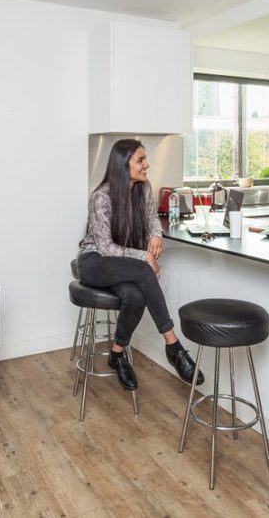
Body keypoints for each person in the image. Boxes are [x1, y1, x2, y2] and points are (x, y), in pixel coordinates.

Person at [77, 138, 204, 392]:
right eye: (140, 160)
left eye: (145, 159)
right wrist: (144, 256)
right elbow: (105, 248)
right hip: (95, 261)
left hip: (123, 263)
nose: (147, 165)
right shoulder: (101, 197)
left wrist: (156, 235)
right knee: (143, 269)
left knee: (135, 296)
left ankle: (117, 355)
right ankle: (173, 346)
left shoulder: (143, 188)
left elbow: (151, 219)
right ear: (123, 165)